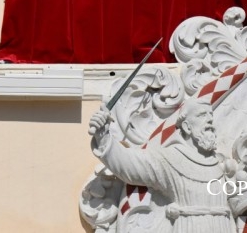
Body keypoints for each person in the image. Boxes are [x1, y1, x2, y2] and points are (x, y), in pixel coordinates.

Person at [89, 97, 235, 233]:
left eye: (210, 115)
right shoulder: (172, 158)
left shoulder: (218, 164)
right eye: (202, 115)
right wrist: (103, 137)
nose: (209, 120)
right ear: (187, 127)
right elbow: (131, 164)